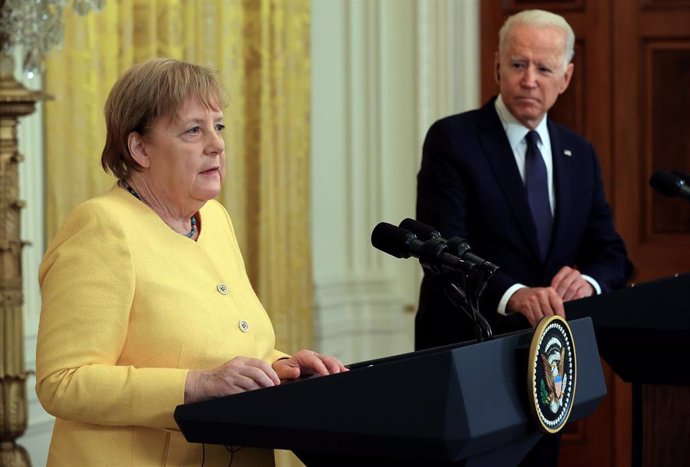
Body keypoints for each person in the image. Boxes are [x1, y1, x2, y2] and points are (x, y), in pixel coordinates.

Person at [35, 58, 348, 467]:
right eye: (193, 130)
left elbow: (225, 346)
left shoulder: (213, 219)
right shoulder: (102, 227)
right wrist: (194, 386)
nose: (216, 144)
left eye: (218, 127)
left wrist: (283, 369)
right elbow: (62, 382)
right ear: (139, 148)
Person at [414, 10, 632, 466]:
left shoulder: (579, 154)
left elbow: (610, 251)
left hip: (547, 364)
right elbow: (443, 250)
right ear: (497, 64)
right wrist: (512, 293)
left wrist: (589, 281)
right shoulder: (453, 140)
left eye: (544, 68)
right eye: (518, 64)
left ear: (566, 76)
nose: (529, 79)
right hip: (469, 355)